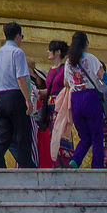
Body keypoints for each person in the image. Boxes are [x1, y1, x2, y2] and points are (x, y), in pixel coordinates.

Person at [0, 22, 33, 167]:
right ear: (17, 36)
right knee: (23, 133)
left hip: (1, 96)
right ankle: (26, 166)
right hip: (15, 96)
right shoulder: (18, 52)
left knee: (3, 134)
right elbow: (21, 78)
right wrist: (28, 99)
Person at [64, 30, 106, 170]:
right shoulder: (90, 58)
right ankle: (97, 168)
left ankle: (74, 162)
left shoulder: (68, 62)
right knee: (96, 136)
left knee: (85, 137)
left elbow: (65, 83)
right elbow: (102, 75)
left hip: (75, 99)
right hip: (90, 97)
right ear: (86, 43)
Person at [35, 40, 68, 169]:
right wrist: (37, 92)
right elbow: (49, 91)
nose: (48, 52)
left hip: (60, 106)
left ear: (58, 52)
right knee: (52, 137)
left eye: (50, 49)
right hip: (50, 107)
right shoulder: (50, 71)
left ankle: (64, 163)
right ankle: (55, 163)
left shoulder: (64, 69)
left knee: (61, 136)